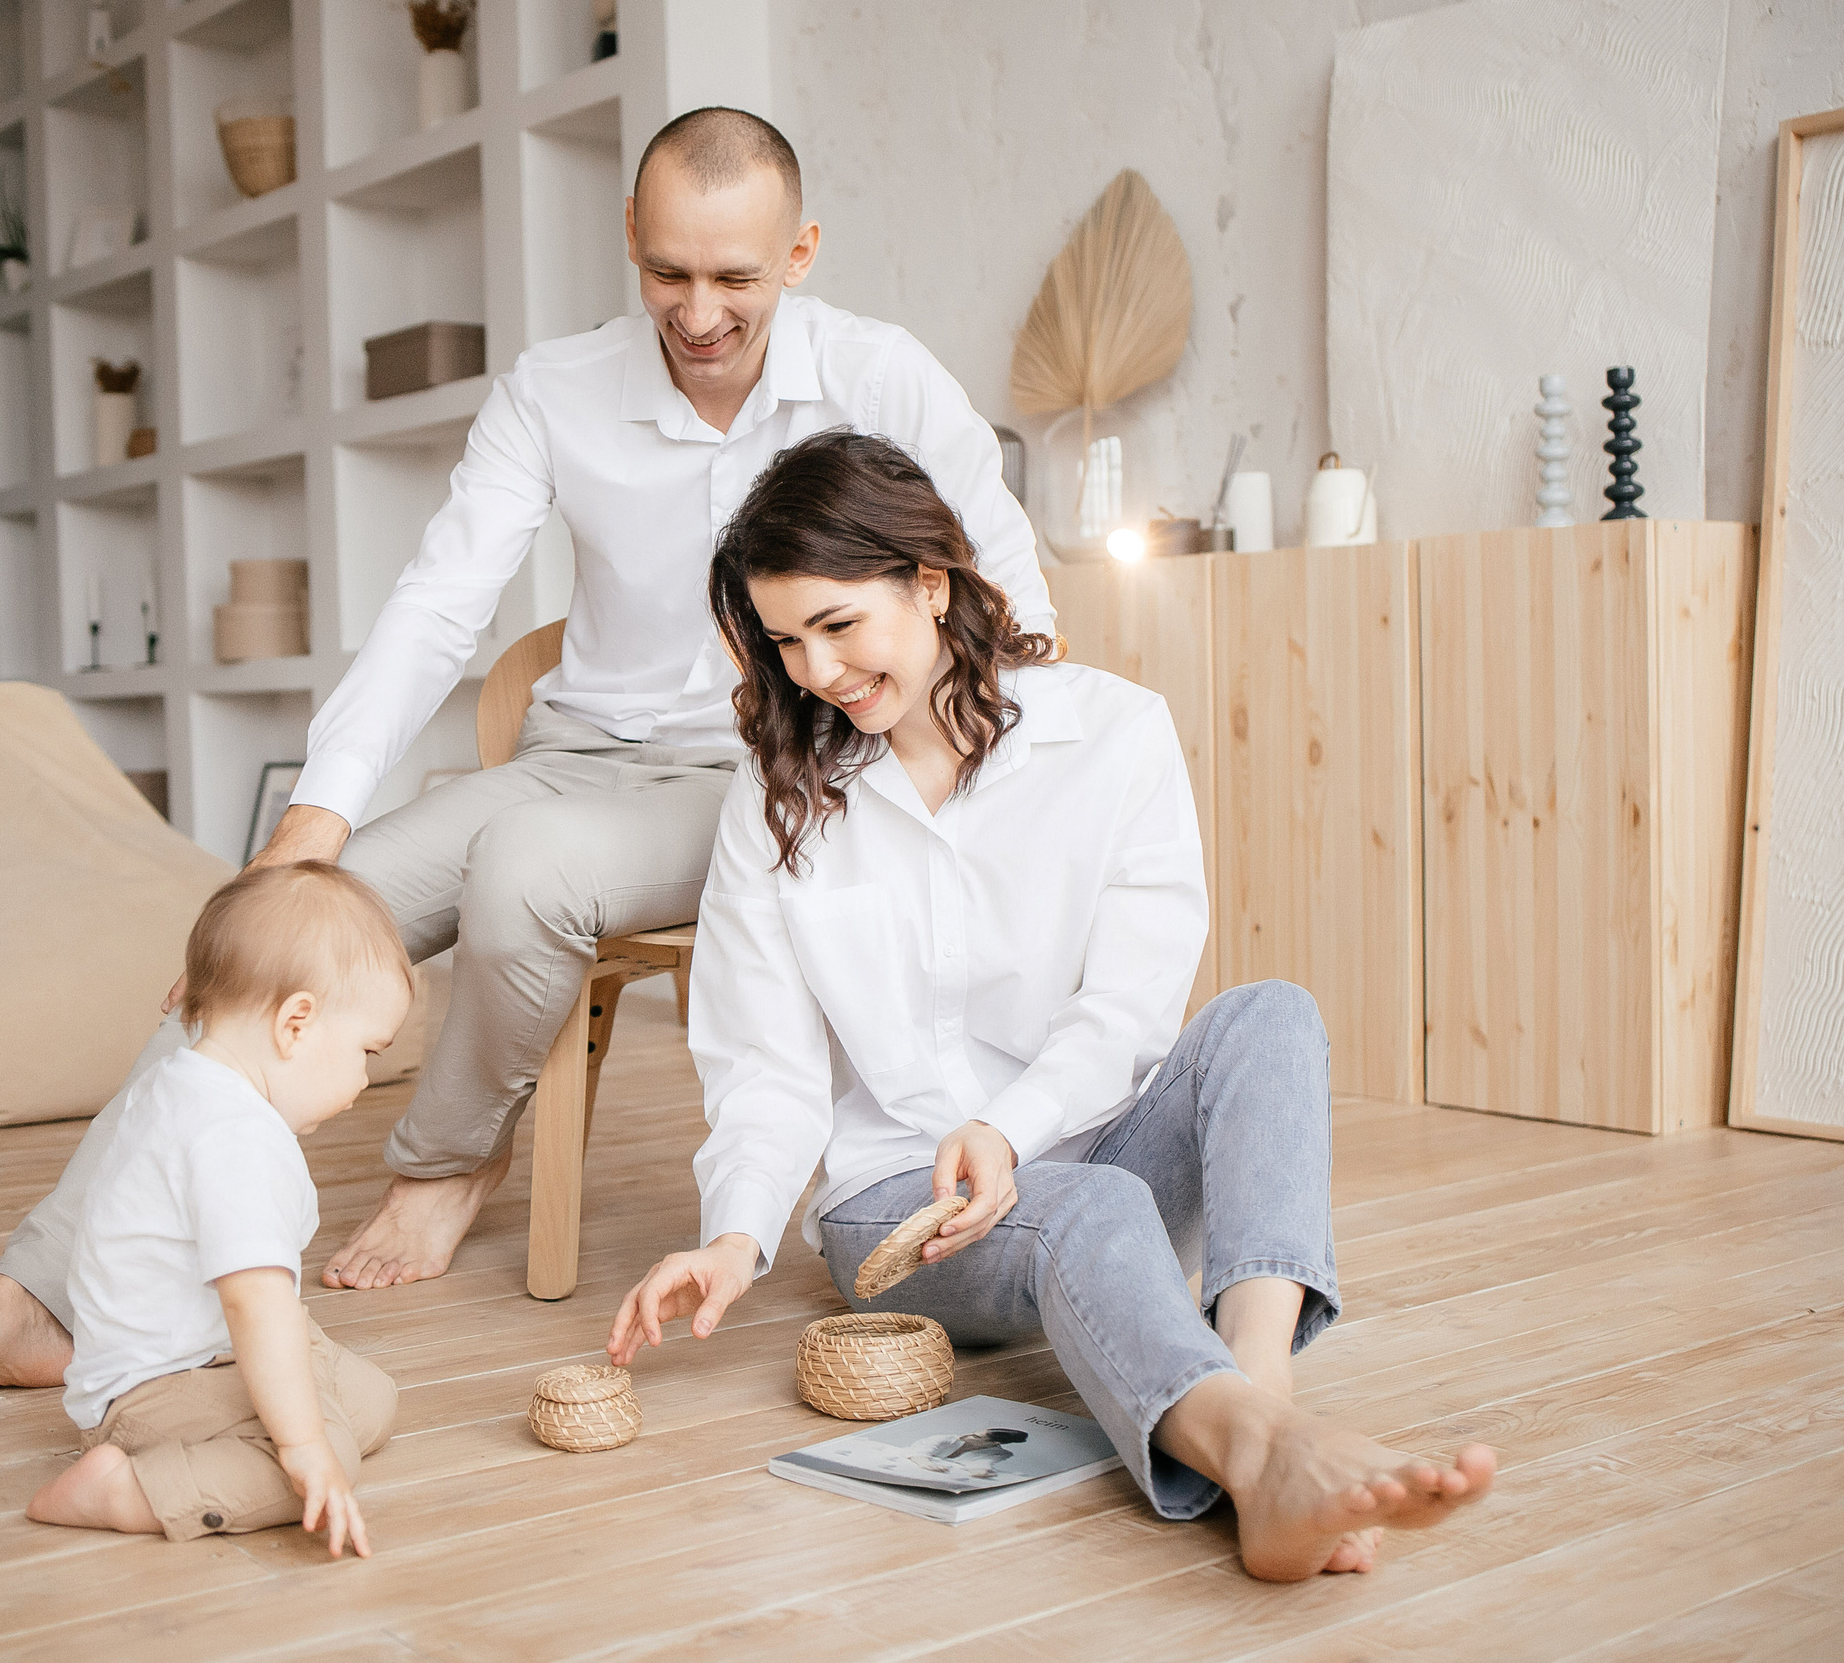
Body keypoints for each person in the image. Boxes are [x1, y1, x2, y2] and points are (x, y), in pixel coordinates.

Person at [0, 105, 1052, 1403]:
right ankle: (29, 1298)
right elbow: (436, 605)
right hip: (571, 755)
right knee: (257, 935)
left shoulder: (884, 373)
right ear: (630, 236)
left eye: (735, 277)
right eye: (668, 271)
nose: (697, 311)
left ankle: (446, 1161)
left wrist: (959, 787)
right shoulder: (556, 388)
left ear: (798, 254)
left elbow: (1011, 586)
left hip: (746, 780)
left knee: (524, 866)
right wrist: (318, 815)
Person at [604, 431, 1496, 1583]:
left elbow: (1130, 1007)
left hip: (1086, 1142)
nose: (816, 673)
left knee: (1269, 1014)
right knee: (1084, 1209)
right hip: (901, 1209)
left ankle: (1262, 1403)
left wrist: (1014, 1128)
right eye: (785, 643)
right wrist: (731, 1237)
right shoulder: (779, 800)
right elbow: (763, 1066)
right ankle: (1257, 1457)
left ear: (928, 582)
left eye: (837, 626)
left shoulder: (1112, 732)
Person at [24, 862, 411, 1552]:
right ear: (296, 1023)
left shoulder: (184, 1080)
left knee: (373, 1400)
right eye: (365, 1052)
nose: (363, 1079)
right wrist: (303, 1447)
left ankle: (289, 1412)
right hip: (159, 1388)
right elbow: (255, 1304)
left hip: (204, 1353)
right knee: (331, 1457)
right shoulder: (237, 1141)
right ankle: (122, 1490)